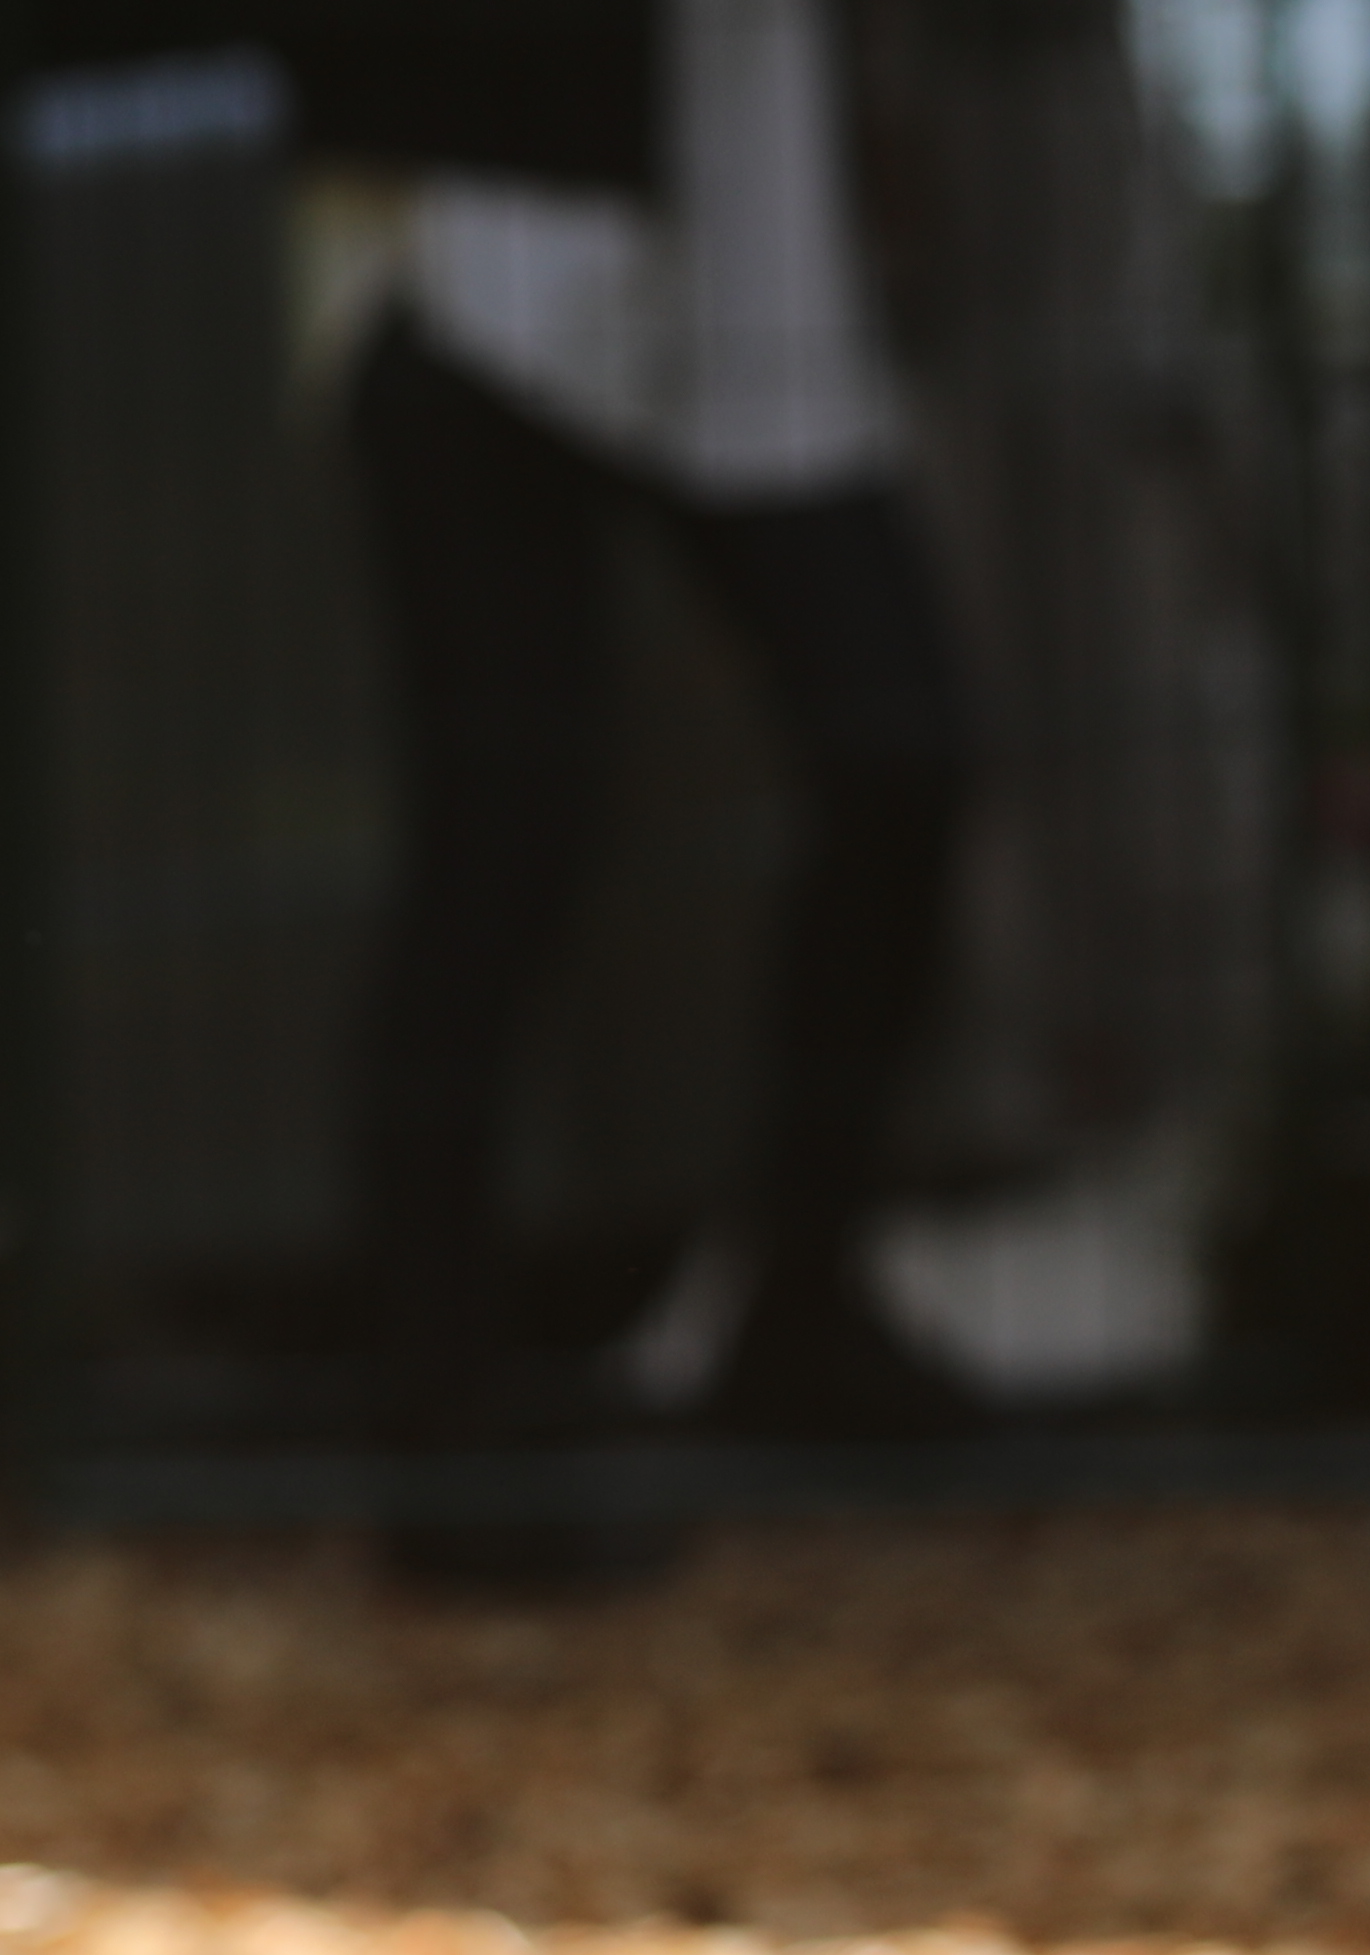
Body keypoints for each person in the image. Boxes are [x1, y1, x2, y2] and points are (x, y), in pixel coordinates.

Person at [321, 0, 990, 1453]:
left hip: (761, 289)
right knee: (507, 833)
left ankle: (798, 1304)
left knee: (901, 750)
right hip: (490, 276)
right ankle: (437, 1403)